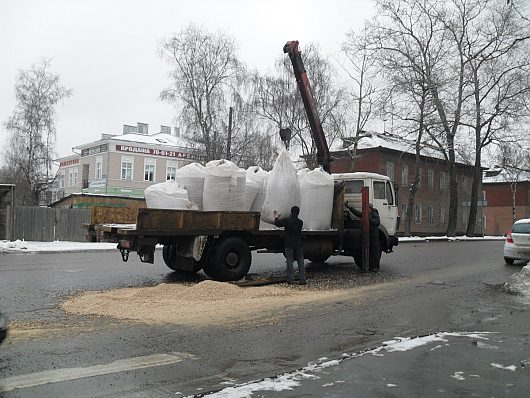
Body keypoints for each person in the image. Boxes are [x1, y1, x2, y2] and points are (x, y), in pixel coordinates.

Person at [273, 206, 306, 285]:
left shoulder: (287, 221)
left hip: (289, 243)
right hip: (298, 243)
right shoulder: (300, 222)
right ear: (298, 213)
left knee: (290, 261)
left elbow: (277, 223)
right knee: (301, 261)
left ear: (291, 212)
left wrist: (276, 217)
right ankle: (302, 280)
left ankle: (290, 280)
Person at [345, 201, 381, 272]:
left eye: (366, 209)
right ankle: (367, 266)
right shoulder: (367, 214)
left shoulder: (374, 214)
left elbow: (376, 222)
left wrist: (368, 219)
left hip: (373, 237)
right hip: (368, 236)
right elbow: (357, 213)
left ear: (370, 209)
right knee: (367, 251)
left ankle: (375, 267)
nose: (365, 211)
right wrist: (349, 207)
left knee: (375, 252)